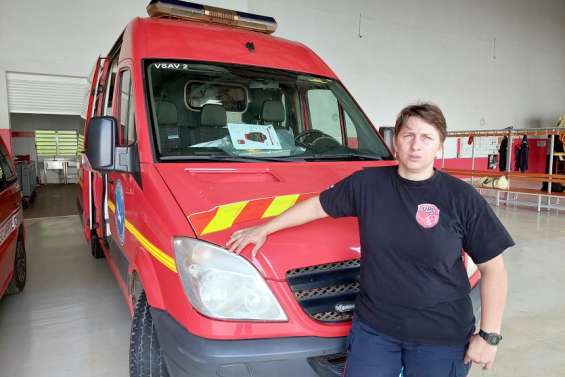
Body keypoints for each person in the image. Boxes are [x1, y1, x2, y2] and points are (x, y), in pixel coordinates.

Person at [227, 103, 514, 377]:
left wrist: (489, 336)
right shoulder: (367, 185)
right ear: (395, 143)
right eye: (408, 135)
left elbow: (494, 269)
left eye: (427, 138)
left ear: (440, 146)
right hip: (376, 331)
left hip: (441, 336)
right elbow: (317, 206)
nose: (416, 145)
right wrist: (265, 228)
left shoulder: (462, 198)